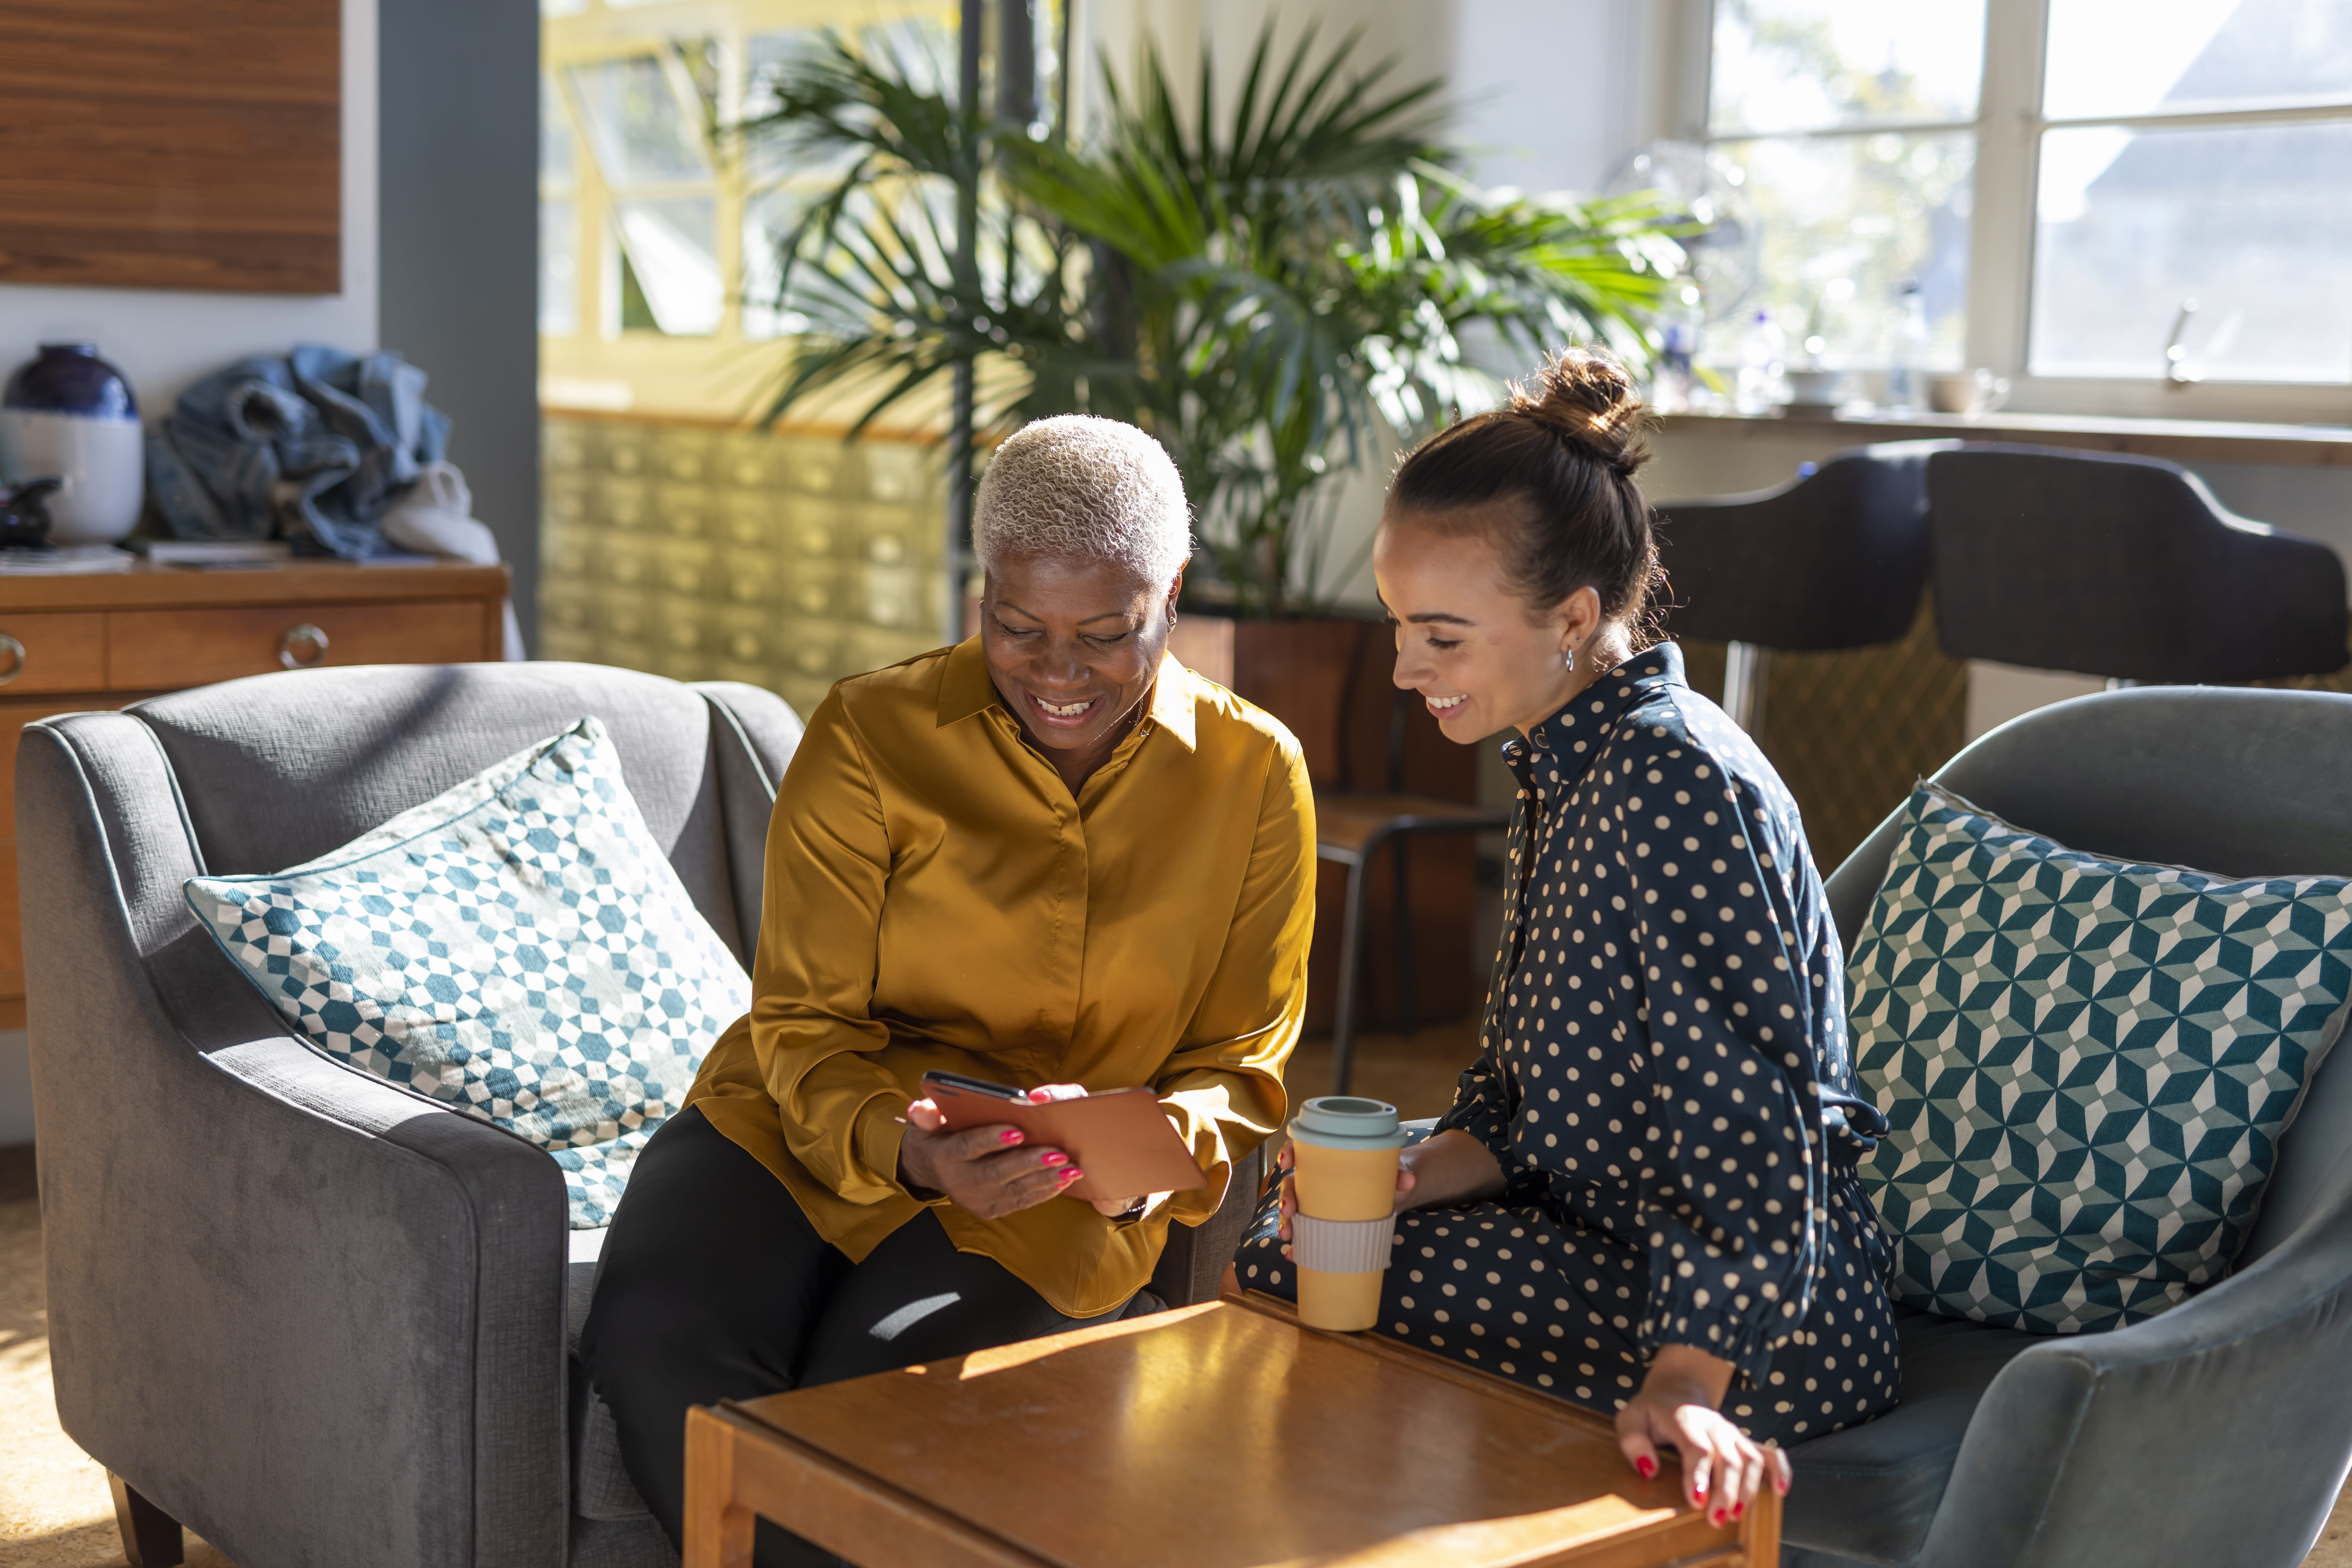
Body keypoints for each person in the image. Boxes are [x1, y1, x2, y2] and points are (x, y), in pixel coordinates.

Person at [582, 415, 1315, 1561]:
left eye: (1108, 634)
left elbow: (1244, 1069)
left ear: (1173, 590)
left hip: (1056, 1187)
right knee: (656, 1345)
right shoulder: (871, 731)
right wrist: (902, 1147)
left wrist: (1137, 1148)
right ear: (982, 590)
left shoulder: (1256, 774)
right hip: (790, 1123)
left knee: (867, 1406)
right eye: (1018, 627)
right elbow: (806, 1024)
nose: (1060, 675)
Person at [1232, 348, 1899, 1526]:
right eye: (1399, 629)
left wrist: (1694, 1376)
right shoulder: (1570, 758)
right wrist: (1414, 1172)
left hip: (1766, 1317)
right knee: (1300, 1221)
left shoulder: (1672, 781)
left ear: (1576, 617)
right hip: (1604, 1229)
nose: (1403, 669)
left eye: (1441, 636)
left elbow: (1751, 1115)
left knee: (1289, 1266)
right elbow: (1534, 1101)